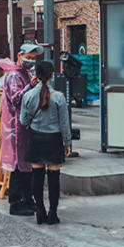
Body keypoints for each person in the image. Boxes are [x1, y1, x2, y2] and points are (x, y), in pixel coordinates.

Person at [20, 61, 72, 225]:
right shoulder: (58, 96)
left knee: (37, 175)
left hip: (36, 138)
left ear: (36, 75)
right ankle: (53, 214)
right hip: (53, 139)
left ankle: (40, 211)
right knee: (54, 177)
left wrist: (33, 125)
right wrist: (67, 142)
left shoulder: (27, 95)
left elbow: (23, 120)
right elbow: (64, 123)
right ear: (52, 75)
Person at [0, 44, 42, 216]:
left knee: (26, 165)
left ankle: (27, 199)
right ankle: (16, 202)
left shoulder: (26, 74)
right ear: (20, 55)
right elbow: (16, 100)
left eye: (34, 58)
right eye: (29, 57)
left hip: (25, 127)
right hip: (16, 127)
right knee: (18, 166)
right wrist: (30, 87)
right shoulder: (13, 76)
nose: (31, 61)